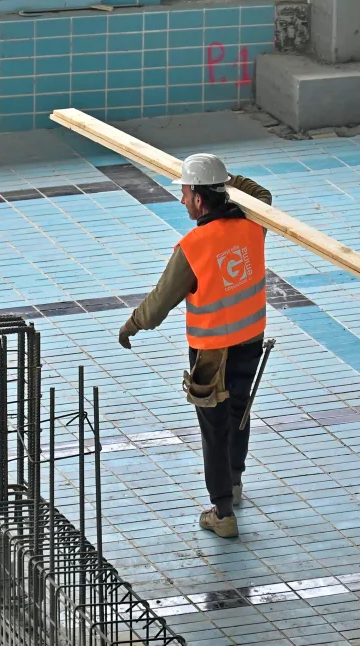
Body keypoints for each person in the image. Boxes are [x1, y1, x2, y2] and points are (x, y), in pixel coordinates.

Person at [118, 153, 272, 538]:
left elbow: (159, 303)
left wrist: (132, 325)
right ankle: (234, 484)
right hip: (250, 340)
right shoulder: (254, 223)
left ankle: (222, 513)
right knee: (240, 411)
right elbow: (261, 194)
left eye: (186, 193)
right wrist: (221, 178)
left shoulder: (194, 246)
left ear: (201, 200)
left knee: (214, 428)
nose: (182, 200)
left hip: (212, 353)